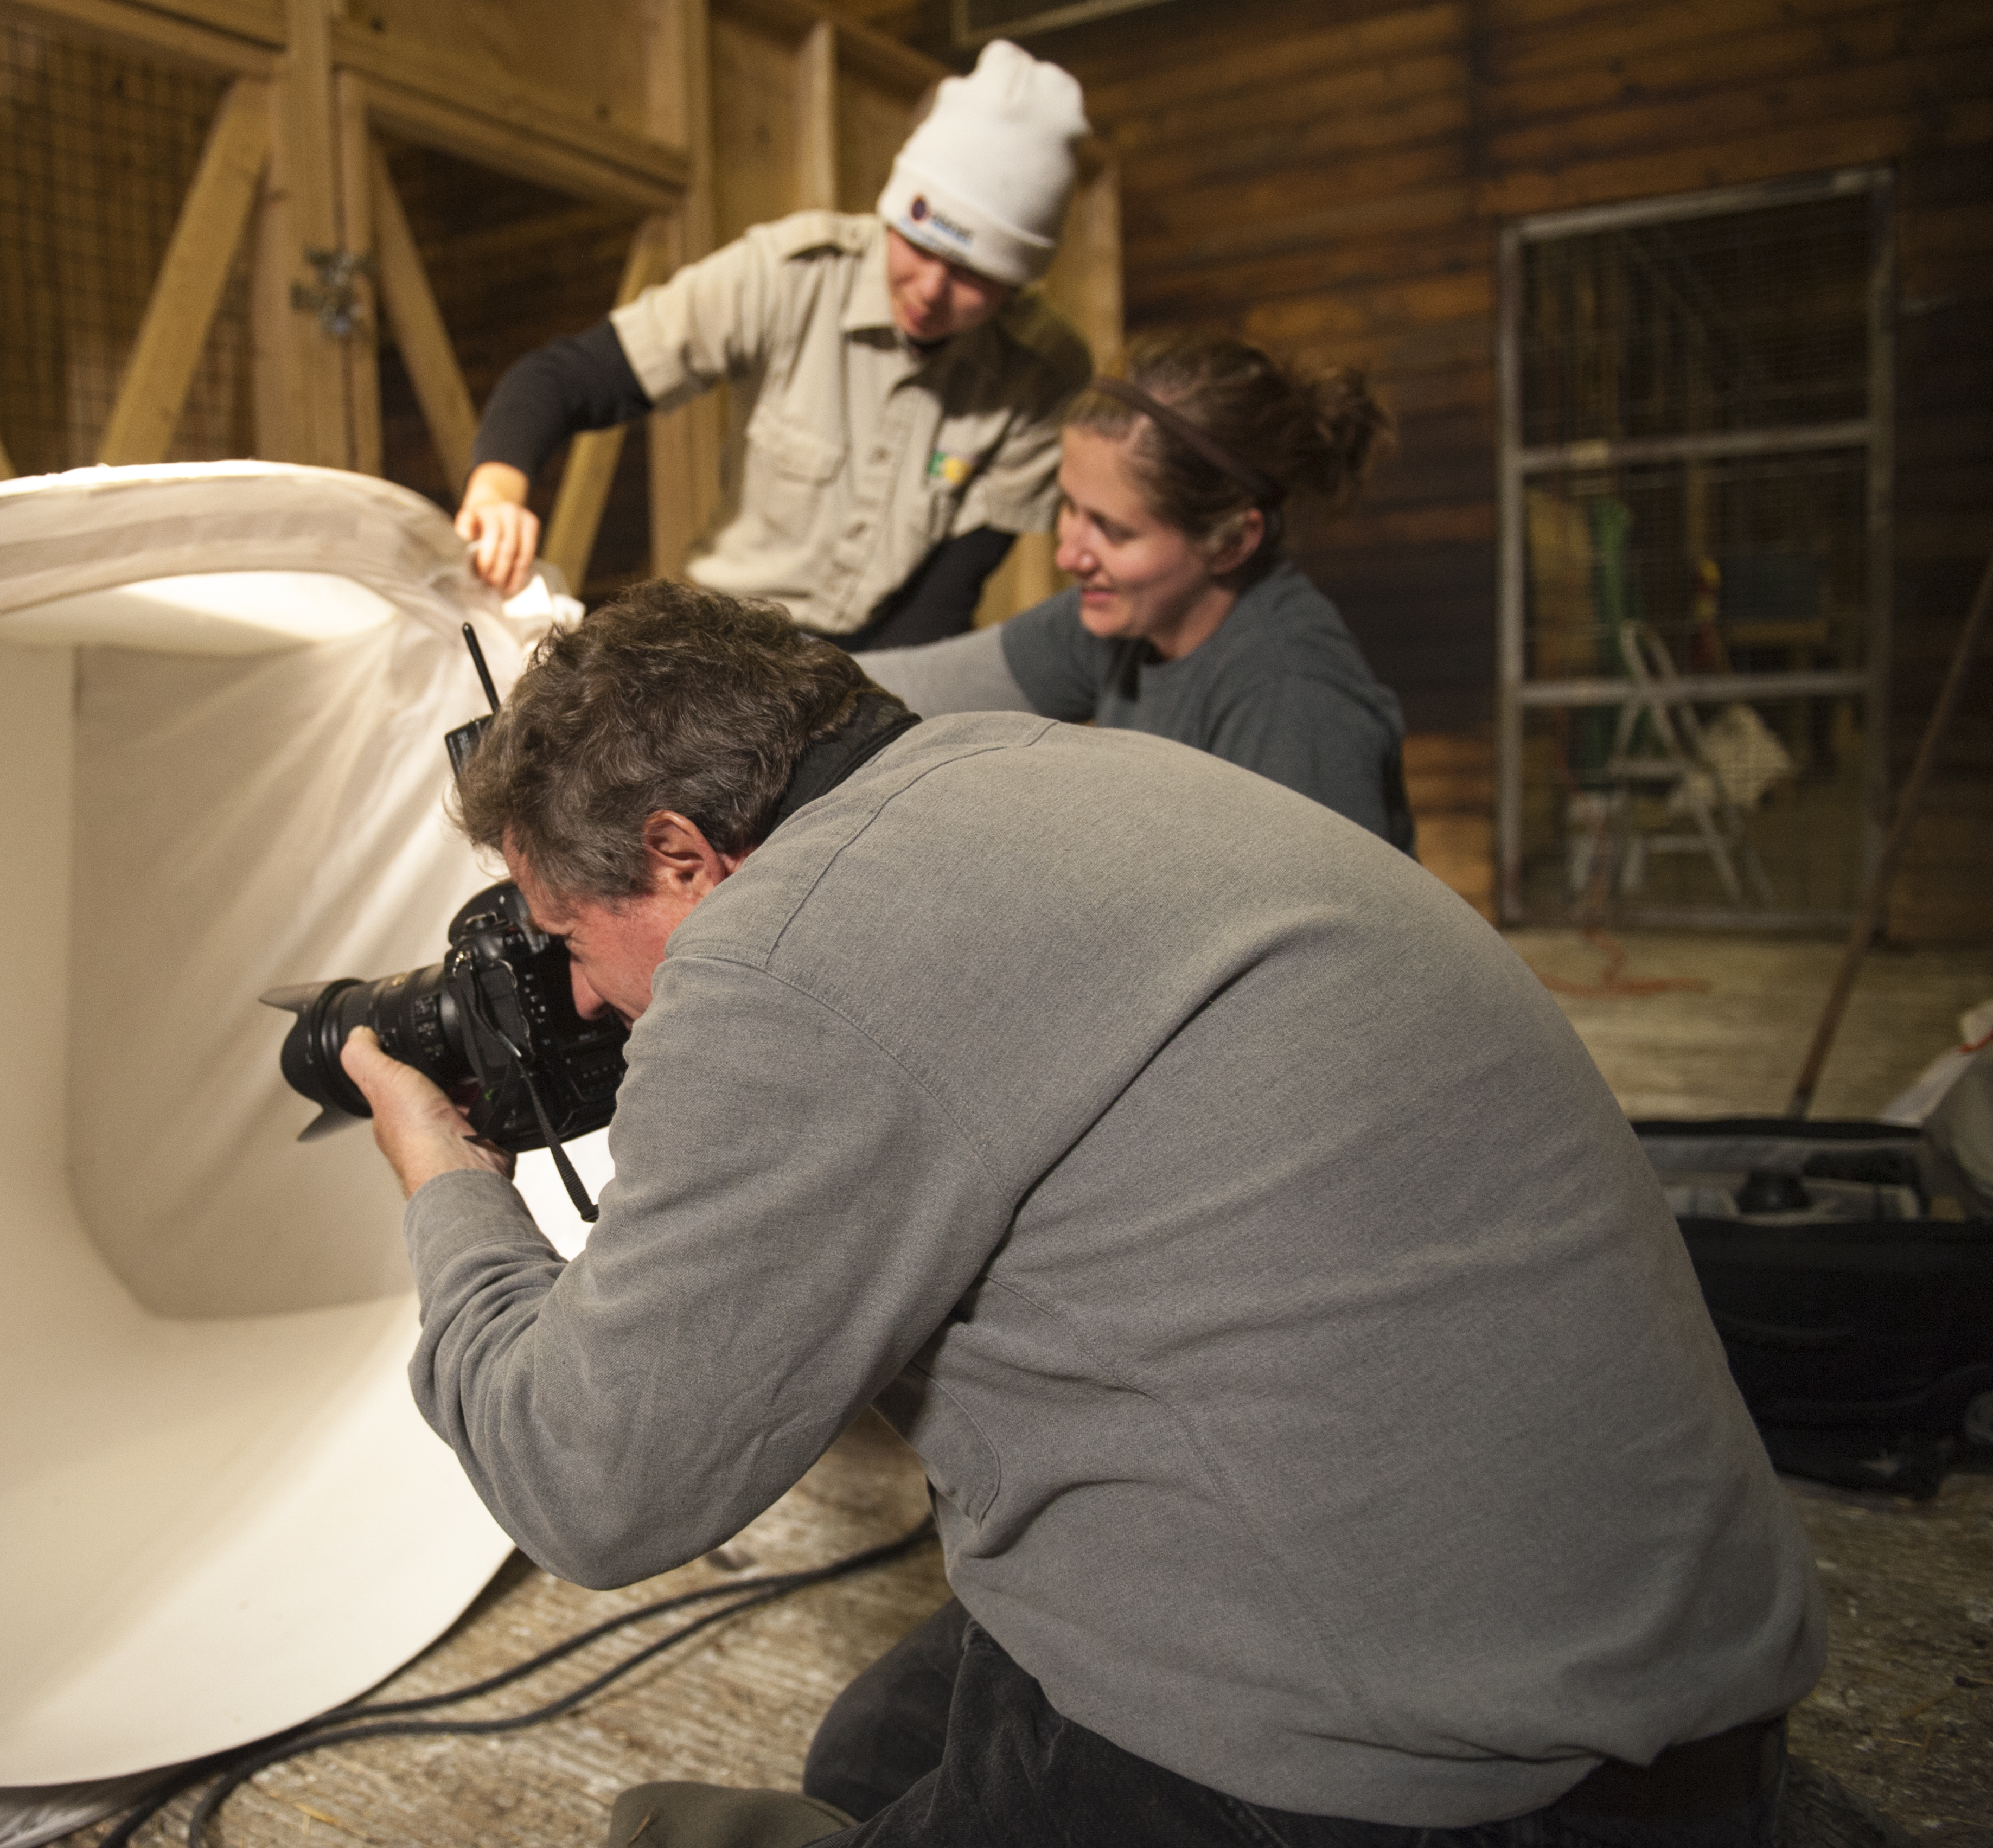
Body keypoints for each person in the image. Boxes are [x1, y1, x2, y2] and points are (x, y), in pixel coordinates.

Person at [337, 583, 1821, 1848]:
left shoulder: (785, 955)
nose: (583, 997)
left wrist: (454, 1182)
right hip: (1679, 1646)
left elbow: (594, 1483)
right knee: (871, 1748)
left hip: (1444, 1776)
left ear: (680, 855)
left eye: (574, 937)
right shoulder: (1030, 766)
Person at [456, 41, 1093, 652]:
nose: (930, 289)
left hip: (885, 657)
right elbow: (562, 379)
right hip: (721, 631)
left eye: (972, 275)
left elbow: (942, 600)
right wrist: (497, 492)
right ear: (893, 213)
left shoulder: (1043, 375)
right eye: (920, 246)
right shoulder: (790, 275)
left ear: (1016, 285)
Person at [860, 332, 1415, 847]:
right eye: (1068, 507)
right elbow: (920, 686)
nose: (1068, 554)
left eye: (1113, 529)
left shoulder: (1291, 698)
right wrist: (782, 671)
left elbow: (1317, 943)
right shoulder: (1120, 618)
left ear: (1231, 543)